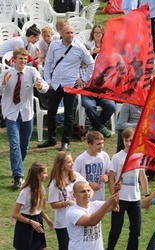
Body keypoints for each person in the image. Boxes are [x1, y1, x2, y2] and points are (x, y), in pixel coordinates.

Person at [39, 24, 95, 151]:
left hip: (70, 85)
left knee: (69, 115)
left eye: (72, 32)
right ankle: (51, 139)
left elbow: (92, 63)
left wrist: (83, 80)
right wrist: (48, 81)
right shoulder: (54, 45)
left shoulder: (79, 47)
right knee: (51, 112)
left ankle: (65, 142)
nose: (70, 35)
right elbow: (48, 63)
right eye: (68, 33)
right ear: (61, 34)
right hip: (56, 83)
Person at [0, 48, 49, 189]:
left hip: (27, 114)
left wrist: (40, 86)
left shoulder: (31, 72)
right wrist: (3, 83)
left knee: (23, 146)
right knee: (14, 144)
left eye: (25, 59)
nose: (23, 62)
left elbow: (44, 86)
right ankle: (18, 175)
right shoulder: (6, 73)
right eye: (21, 59)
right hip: (11, 114)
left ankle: (17, 165)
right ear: (14, 59)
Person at [106, 127, 150, 250]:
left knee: (136, 231)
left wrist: (147, 196)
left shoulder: (140, 156)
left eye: (131, 140)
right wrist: (113, 197)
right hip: (120, 199)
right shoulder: (117, 157)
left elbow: (142, 176)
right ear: (123, 140)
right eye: (126, 140)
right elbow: (111, 178)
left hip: (135, 199)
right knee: (116, 230)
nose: (129, 143)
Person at [47, 152, 88, 250]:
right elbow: (53, 204)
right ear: (61, 165)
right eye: (69, 162)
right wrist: (66, 203)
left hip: (78, 219)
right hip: (63, 222)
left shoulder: (77, 176)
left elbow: (89, 188)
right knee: (65, 247)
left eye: (72, 161)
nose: (72, 163)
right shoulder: (55, 183)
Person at [12, 162, 54, 250]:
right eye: (44, 173)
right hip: (26, 225)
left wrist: (48, 220)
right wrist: (31, 222)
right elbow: (15, 214)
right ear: (37, 174)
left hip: (37, 221)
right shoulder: (25, 192)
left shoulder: (41, 188)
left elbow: (38, 208)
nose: (46, 175)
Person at [66, 181, 119, 250]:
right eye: (83, 191)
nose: (87, 193)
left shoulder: (95, 205)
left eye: (88, 190)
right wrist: (108, 202)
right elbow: (91, 222)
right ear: (74, 195)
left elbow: (113, 205)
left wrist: (116, 190)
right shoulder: (72, 212)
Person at [74, 131, 111, 201]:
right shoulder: (81, 159)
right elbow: (73, 178)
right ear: (90, 145)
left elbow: (110, 172)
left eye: (102, 143)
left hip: (100, 197)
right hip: (84, 200)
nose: (101, 146)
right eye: (98, 144)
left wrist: (106, 176)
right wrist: (88, 184)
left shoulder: (104, 156)